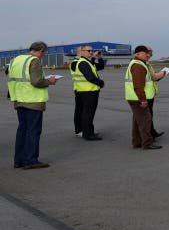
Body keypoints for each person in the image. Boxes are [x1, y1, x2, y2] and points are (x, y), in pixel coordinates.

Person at [7, 41, 58, 169]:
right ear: (41, 51)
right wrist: (49, 81)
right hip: (32, 101)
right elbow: (36, 81)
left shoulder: (16, 60)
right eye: (44, 53)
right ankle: (30, 160)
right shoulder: (34, 61)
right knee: (33, 131)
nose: (43, 56)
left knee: (22, 131)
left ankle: (19, 160)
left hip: (19, 99)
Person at [124, 45, 162, 150]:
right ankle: (147, 143)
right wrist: (143, 100)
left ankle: (137, 142)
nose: (147, 55)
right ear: (137, 54)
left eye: (148, 53)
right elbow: (138, 85)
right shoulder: (138, 66)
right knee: (145, 120)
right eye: (145, 53)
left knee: (137, 121)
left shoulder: (139, 64)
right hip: (138, 98)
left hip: (133, 97)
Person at [70, 45, 105, 140]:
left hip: (84, 90)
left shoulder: (87, 62)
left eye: (91, 51)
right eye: (89, 51)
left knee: (85, 112)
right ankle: (85, 132)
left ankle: (87, 131)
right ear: (81, 52)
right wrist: (101, 83)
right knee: (85, 112)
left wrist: (98, 58)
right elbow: (90, 77)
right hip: (86, 91)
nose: (91, 52)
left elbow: (99, 66)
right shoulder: (78, 62)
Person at [145, 46, 166, 139]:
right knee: (148, 116)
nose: (151, 55)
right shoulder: (145, 64)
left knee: (149, 115)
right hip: (146, 95)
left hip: (149, 93)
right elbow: (153, 77)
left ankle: (152, 132)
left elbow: (151, 76)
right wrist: (163, 73)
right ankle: (149, 135)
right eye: (150, 53)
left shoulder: (146, 63)